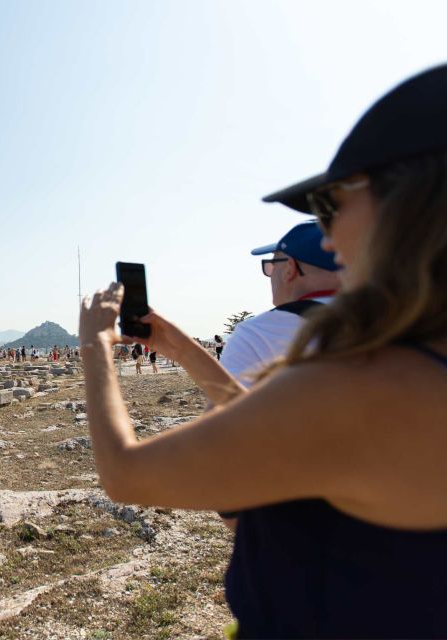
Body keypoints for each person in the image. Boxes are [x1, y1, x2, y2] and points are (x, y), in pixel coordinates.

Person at [79, 64, 447, 638]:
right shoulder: (417, 366)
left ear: (408, 206)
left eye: (330, 205)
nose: (326, 236)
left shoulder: (365, 386)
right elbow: (277, 422)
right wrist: (183, 349)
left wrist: (94, 346)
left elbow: (128, 475)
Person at [221, 222, 341, 386]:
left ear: (289, 269)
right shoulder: (382, 317)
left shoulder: (258, 333)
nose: (269, 276)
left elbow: (228, 405)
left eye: (271, 266)